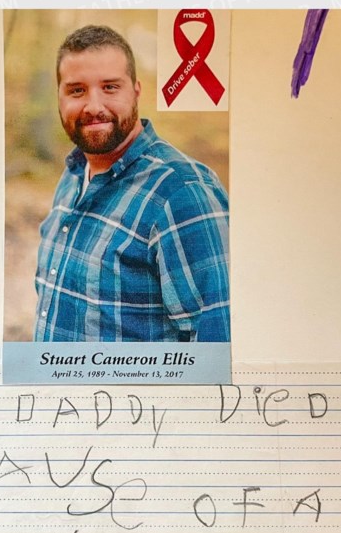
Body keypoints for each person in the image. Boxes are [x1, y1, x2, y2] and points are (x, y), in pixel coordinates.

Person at [34, 25, 230, 343]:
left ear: (136, 91)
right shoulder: (73, 174)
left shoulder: (182, 192)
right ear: (59, 96)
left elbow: (215, 347)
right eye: (76, 90)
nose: (94, 106)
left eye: (110, 87)